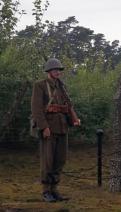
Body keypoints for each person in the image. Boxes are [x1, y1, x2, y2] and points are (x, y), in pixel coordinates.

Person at [31, 58, 80, 202]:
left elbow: (68, 106)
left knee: (60, 159)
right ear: (49, 71)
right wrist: (44, 127)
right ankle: (46, 191)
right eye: (55, 70)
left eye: (59, 70)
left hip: (62, 127)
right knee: (48, 160)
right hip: (49, 127)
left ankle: (54, 189)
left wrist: (74, 119)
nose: (57, 72)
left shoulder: (62, 86)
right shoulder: (40, 85)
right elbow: (36, 109)